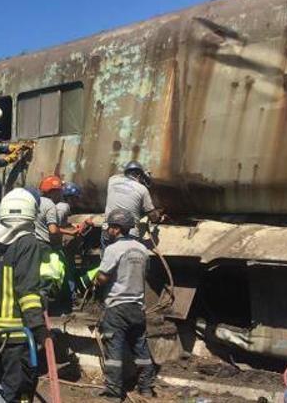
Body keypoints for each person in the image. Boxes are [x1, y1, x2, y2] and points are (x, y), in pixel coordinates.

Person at [0, 188, 49, 403]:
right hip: (17, 331)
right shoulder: (27, 242)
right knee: (18, 386)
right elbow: (27, 290)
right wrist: (39, 328)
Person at [94, 208, 156, 400]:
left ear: (117, 228)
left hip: (117, 307)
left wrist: (95, 279)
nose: (108, 231)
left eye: (110, 227)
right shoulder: (143, 250)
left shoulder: (113, 250)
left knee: (114, 353)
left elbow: (103, 278)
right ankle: (146, 387)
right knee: (141, 349)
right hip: (137, 307)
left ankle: (113, 394)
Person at [103, 161, 162, 246]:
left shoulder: (112, 180)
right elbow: (153, 217)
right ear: (139, 175)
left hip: (109, 230)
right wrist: (158, 218)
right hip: (128, 234)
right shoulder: (142, 190)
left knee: (108, 255)